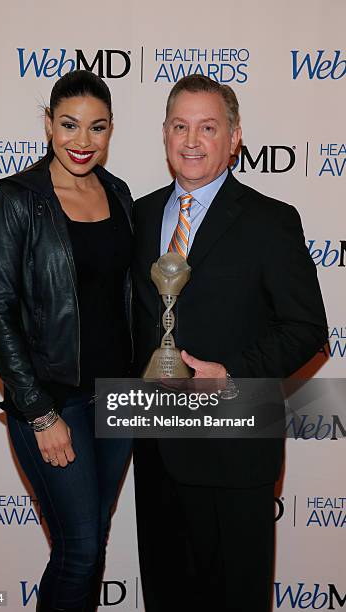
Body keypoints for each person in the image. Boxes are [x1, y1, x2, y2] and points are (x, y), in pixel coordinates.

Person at [132, 75, 328, 612]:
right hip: (156, 448)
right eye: (180, 125)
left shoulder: (271, 221)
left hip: (237, 447)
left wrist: (233, 373)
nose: (191, 140)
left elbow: (308, 329)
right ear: (165, 133)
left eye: (208, 127)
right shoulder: (140, 215)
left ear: (235, 138)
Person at [0, 70, 133, 612]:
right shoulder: (16, 200)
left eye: (97, 128)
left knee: (92, 544)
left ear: (111, 131)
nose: (82, 141)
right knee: (80, 549)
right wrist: (41, 413)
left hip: (118, 399)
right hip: (53, 402)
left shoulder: (119, 194)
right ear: (48, 125)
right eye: (69, 125)